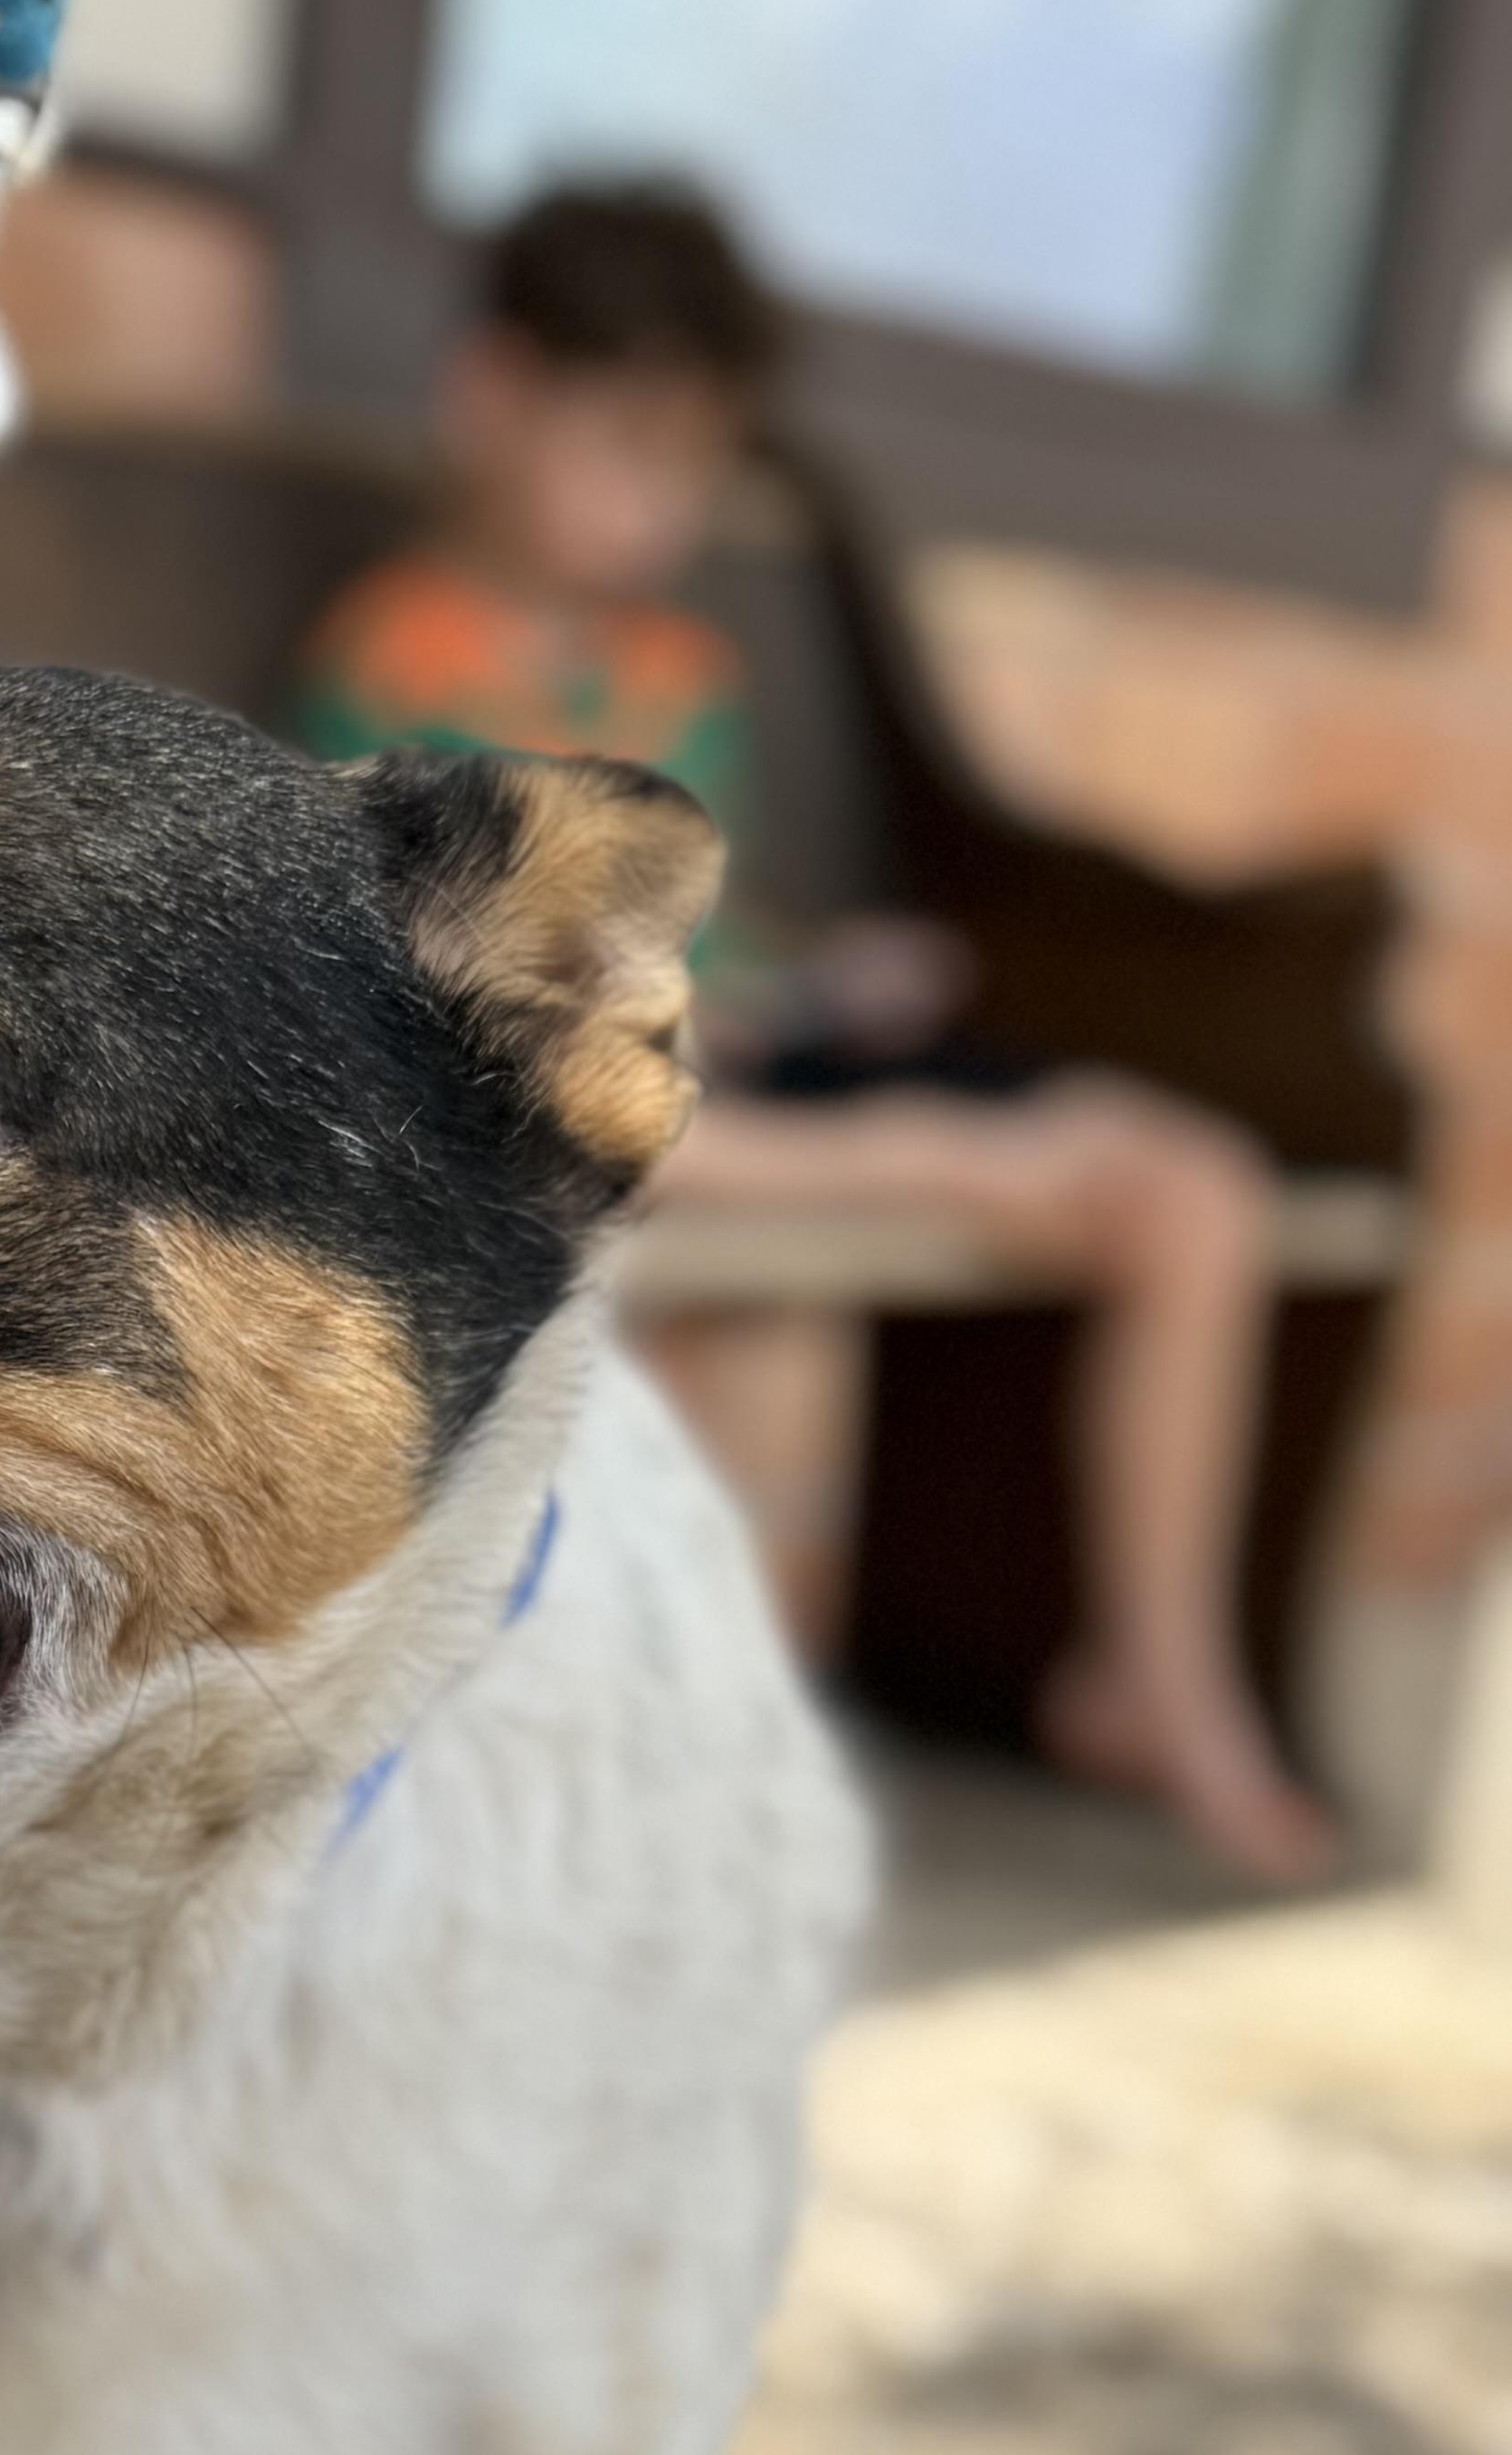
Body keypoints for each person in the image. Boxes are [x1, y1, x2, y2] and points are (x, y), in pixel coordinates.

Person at [297, 181, 1335, 1883]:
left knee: (1197, 1184)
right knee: (620, 1126)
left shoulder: (683, 661)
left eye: (694, 462)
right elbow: (476, 1012)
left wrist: (814, 973)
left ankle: (1155, 1676)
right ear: (489, 396)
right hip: (548, 1095)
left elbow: (695, 934)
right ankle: (940, 1157)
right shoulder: (394, 664)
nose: (661, 505)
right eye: (625, 445)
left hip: (737, 1063)